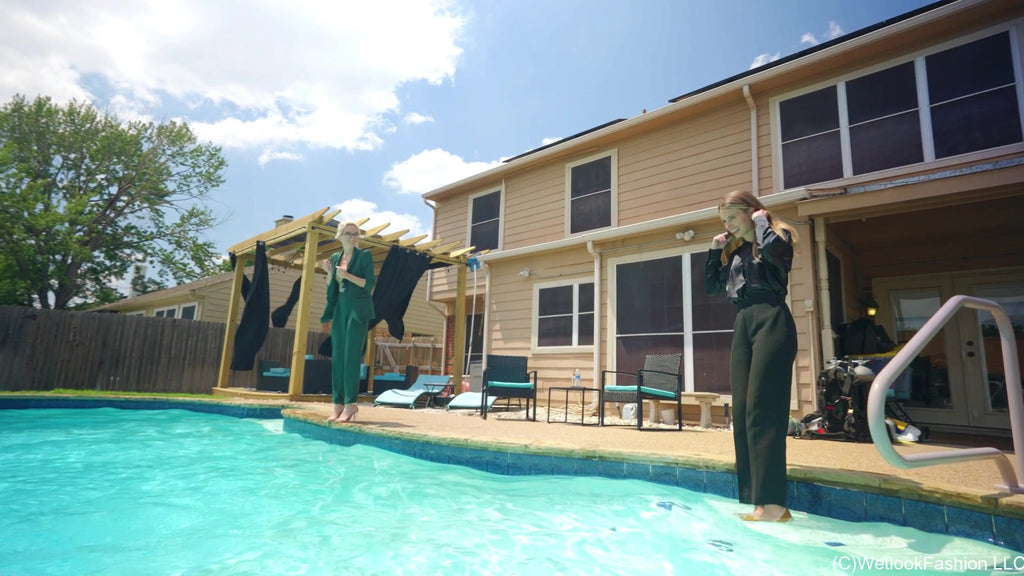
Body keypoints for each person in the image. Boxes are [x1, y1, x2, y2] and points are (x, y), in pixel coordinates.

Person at [704, 191, 799, 522]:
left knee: (764, 410)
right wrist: (715, 250)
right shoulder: (738, 253)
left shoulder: (776, 236)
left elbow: (778, 255)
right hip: (744, 323)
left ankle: (773, 505)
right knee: (743, 412)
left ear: (753, 212)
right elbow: (713, 286)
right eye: (724, 220)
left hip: (772, 319)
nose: (728, 224)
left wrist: (762, 223)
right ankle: (755, 499)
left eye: (732, 217)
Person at [321, 221, 376, 423]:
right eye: (348, 233)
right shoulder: (336, 258)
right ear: (339, 236)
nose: (352, 237)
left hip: (357, 310)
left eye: (356, 234)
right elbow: (333, 287)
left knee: (351, 358)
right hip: (340, 309)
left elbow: (369, 283)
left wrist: (347, 275)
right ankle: (338, 404)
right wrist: (330, 274)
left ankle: (351, 404)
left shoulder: (364, 256)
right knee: (338, 359)